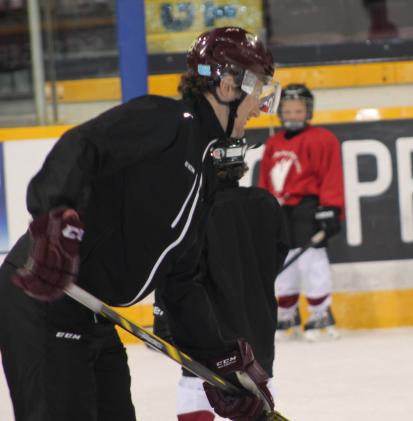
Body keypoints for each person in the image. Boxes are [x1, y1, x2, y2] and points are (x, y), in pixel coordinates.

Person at [0, 27, 281, 421]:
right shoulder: (165, 120)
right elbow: (82, 146)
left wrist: (222, 363)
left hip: (91, 312)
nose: (260, 107)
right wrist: (55, 219)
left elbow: (180, 281)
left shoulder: (202, 173)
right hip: (44, 298)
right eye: (259, 91)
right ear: (229, 84)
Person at [153, 137, 289, 421]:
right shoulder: (266, 203)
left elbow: (178, 272)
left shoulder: (195, 211)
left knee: (196, 385)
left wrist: (163, 316)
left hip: (208, 330)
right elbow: (276, 258)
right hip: (258, 329)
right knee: (256, 400)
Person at [258, 84, 345, 341]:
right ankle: (287, 313)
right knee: (283, 261)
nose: (293, 115)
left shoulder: (322, 139)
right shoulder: (273, 143)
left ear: (308, 111)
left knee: (312, 261)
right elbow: (265, 179)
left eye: (298, 110)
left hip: (309, 208)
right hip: (280, 210)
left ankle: (320, 312)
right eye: (288, 110)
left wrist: (332, 207)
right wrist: (263, 208)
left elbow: (331, 175)